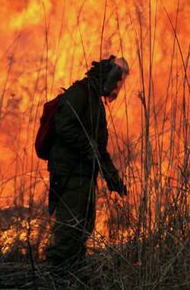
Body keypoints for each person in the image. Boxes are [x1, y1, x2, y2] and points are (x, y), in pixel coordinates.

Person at [45, 55, 129, 269]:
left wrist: (113, 178)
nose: (116, 87)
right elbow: (64, 127)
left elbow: (99, 148)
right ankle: (56, 272)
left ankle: (72, 268)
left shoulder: (94, 101)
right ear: (105, 76)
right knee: (70, 223)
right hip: (70, 171)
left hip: (83, 173)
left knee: (84, 223)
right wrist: (87, 145)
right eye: (116, 81)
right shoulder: (79, 94)